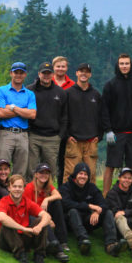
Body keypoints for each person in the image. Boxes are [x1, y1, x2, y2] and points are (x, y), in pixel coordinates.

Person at [101, 54, 132, 196]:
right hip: (116, 134)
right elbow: (104, 110)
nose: (124, 66)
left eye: (127, 63)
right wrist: (108, 130)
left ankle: (130, 197)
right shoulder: (110, 85)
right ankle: (106, 196)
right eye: (121, 63)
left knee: (131, 167)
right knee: (110, 166)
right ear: (118, 65)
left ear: (130, 65)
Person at [59, 162, 124, 256]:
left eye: (85, 174)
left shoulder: (91, 187)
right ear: (75, 175)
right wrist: (89, 206)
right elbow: (66, 203)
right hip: (71, 221)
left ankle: (111, 245)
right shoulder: (66, 187)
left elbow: (104, 204)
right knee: (73, 211)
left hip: (88, 220)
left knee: (108, 212)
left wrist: (97, 212)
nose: (83, 176)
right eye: (80, 173)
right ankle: (83, 242)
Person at [0, 174, 52, 263]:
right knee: (7, 224)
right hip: (5, 241)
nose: (17, 189)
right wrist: (23, 228)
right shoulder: (3, 202)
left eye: (20, 187)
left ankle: (39, 256)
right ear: (9, 188)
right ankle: (20, 255)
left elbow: (47, 216)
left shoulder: (27, 202)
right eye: (14, 186)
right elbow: (2, 218)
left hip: (23, 238)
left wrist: (40, 226)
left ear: (23, 189)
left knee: (41, 221)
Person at [26, 62, 67, 181]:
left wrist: (60, 136)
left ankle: (49, 198)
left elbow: (64, 117)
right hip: (33, 136)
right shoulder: (30, 90)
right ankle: (31, 196)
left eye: (49, 73)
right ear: (39, 74)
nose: (46, 76)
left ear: (52, 75)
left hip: (52, 138)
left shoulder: (60, 92)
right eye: (44, 73)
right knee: (31, 170)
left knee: (50, 171)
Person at [0, 62, 36, 177]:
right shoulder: (1, 90)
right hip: (6, 133)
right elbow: (1, 113)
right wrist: (23, 111)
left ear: (25, 75)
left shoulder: (30, 94)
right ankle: (0, 194)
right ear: (11, 73)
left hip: (23, 135)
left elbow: (32, 114)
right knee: (1, 168)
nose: (18, 75)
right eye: (16, 72)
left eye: (21, 73)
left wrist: (13, 108)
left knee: (20, 171)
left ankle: (17, 194)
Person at [64, 62, 102, 183]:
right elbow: (63, 116)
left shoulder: (96, 94)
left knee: (90, 175)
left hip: (91, 141)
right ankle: (66, 200)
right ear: (76, 73)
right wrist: (67, 136)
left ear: (90, 74)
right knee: (70, 174)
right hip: (73, 141)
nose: (83, 74)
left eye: (86, 71)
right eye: (81, 71)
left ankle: (91, 200)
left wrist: (100, 136)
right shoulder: (68, 93)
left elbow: (102, 116)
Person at [23, 163, 70, 263]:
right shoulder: (29, 187)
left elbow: (58, 196)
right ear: (36, 174)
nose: (44, 175)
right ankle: (57, 249)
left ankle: (62, 241)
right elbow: (28, 209)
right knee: (42, 219)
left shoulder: (48, 186)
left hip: (45, 215)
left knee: (57, 203)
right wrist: (47, 219)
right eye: (41, 172)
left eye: (46, 173)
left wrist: (47, 199)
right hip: (33, 217)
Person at [52, 55, 75, 184]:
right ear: (53, 67)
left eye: (63, 66)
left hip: (66, 130)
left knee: (63, 163)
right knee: (46, 164)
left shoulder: (72, 85)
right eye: (58, 66)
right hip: (49, 128)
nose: (60, 69)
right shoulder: (47, 83)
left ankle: (61, 192)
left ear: (67, 68)